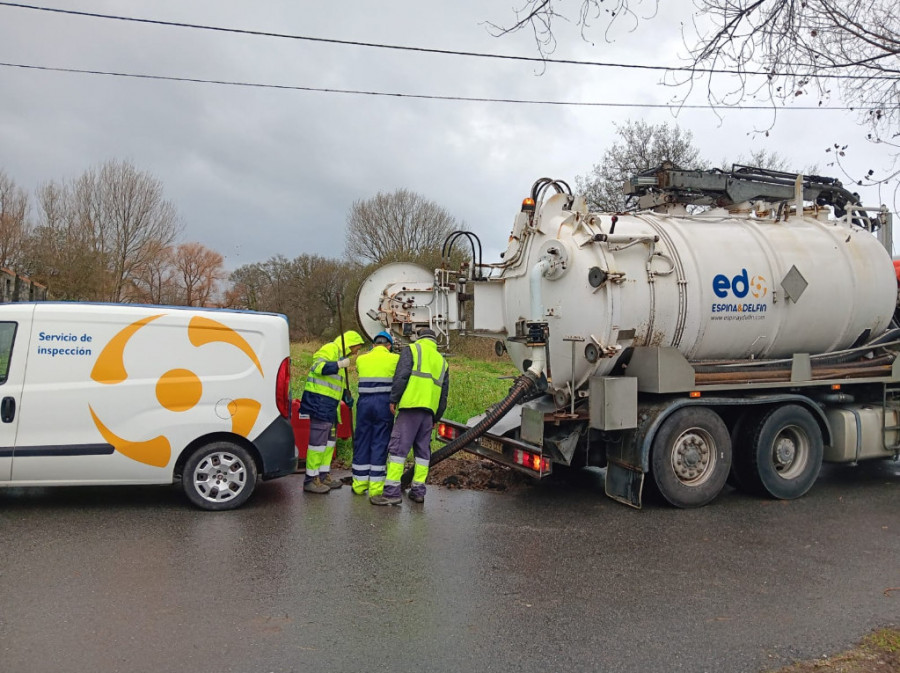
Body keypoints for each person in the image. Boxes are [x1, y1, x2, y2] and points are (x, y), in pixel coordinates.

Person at [371, 327, 449, 506]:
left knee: (398, 451)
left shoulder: (412, 350)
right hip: (428, 414)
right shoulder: (442, 361)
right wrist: (436, 417)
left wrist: (394, 399)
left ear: (418, 338)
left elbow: (401, 376)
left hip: (410, 408)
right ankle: (418, 492)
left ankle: (391, 493)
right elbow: (444, 394)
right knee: (423, 454)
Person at [300, 330, 365, 494]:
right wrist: (337, 365)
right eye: (355, 348)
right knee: (318, 444)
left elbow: (335, 384)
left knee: (328, 443)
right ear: (350, 343)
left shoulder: (341, 357)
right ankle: (311, 479)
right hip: (319, 402)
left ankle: (323, 475)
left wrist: (345, 396)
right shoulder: (330, 349)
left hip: (331, 406)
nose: (356, 352)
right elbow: (317, 367)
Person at [351, 330, 399, 496]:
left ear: (373, 345)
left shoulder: (361, 359)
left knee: (362, 440)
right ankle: (376, 488)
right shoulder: (395, 359)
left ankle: (359, 484)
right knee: (380, 441)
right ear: (389, 346)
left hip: (364, 403)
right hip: (384, 404)